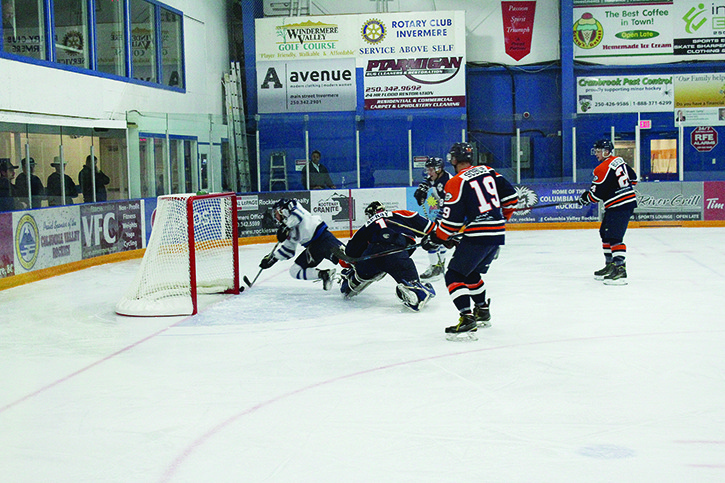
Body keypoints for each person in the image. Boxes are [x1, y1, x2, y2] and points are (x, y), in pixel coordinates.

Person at [421, 142, 518, 339]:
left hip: (478, 234)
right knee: (470, 273)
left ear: (453, 160)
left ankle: (466, 318)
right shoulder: (488, 171)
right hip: (497, 233)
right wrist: (499, 220)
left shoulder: (455, 182)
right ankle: (482, 311)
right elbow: (512, 198)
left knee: (454, 275)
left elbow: (450, 223)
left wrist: (436, 238)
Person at [341, 201, 436, 311]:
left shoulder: (366, 226)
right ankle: (415, 291)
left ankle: (351, 283)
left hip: (372, 254)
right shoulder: (401, 214)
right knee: (412, 283)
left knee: (360, 274)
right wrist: (434, 238)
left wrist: (352, 265)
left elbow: (350, 253)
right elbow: (431, 228)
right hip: (396, 252)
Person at [578, 139, 638, 285]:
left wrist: (586, 198)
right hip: (621, 204)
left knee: (615, 237)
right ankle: (610, 266)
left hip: (620, 205)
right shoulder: (619, 161)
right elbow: (634, 179)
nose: (596, 154)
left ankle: (620, 270)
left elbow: (596, 196)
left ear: (606, 151)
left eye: (599, 151)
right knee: (605, 233)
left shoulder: (601, 168)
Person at [259, 198, 341, 290]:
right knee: (294, 271)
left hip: (323, 238)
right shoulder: (288, 230)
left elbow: (298, 215)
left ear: (280, 209)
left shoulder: (291, 205)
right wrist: (273, 259)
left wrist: (285, 227)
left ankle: (356, 275)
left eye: (275, 214)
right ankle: (324, 275)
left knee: (346, 257)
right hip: (313, 248)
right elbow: (288, 250)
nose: (276, 218)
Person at [413, 156, 453, 280]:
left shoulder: (449, 182)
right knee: (439, 239)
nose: (428, 172)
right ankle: (439, 266)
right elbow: (428, 182)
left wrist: (442, 219)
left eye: (431, 169)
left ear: (438, 169)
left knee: (432, 238)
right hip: (445, 211)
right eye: (428, 170)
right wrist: (422, 190)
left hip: (451, 213)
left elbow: (452, 205)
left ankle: (436, 266)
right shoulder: (437, 177)